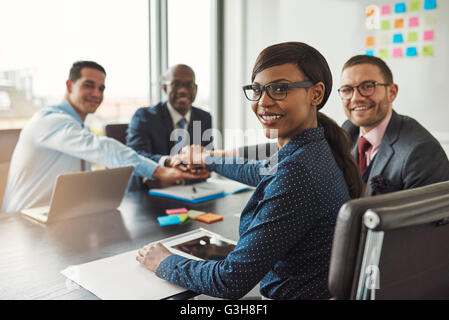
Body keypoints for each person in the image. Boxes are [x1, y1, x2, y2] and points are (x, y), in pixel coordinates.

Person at [136, 42, 363, 300]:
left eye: (279, 89)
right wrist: (207, 159)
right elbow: (258, 171)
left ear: (316, 94)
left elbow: (228, 281)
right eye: (257, 90)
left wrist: (164, 262)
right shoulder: (315, 149)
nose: (263, 102)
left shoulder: (297, 172)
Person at [2, 61, 208, 213]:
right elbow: (102, 148)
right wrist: (159, 170)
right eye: (88, 85)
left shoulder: (78, 127)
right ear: (69, 85)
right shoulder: (49, 120)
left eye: (101, 88)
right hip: (22, 223)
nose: (96, 93)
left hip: (60, 219)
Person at [339, 55, 449, 196]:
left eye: (367, 86)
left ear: (392, 92)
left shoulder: (421, 150)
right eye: (347, 89)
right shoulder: (348, 130)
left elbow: (424, 217)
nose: (356, 98)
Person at [126, 64, 213, 190]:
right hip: (151, 192)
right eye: (176, 84)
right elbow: (136, 155)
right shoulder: (144, 116)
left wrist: (205, 166)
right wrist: (169, 161)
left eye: (189, 85)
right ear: (165, 88)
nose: (183, 90)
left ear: (196, 89)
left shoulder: (204, 118)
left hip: (192, 190)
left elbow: (206, 154)